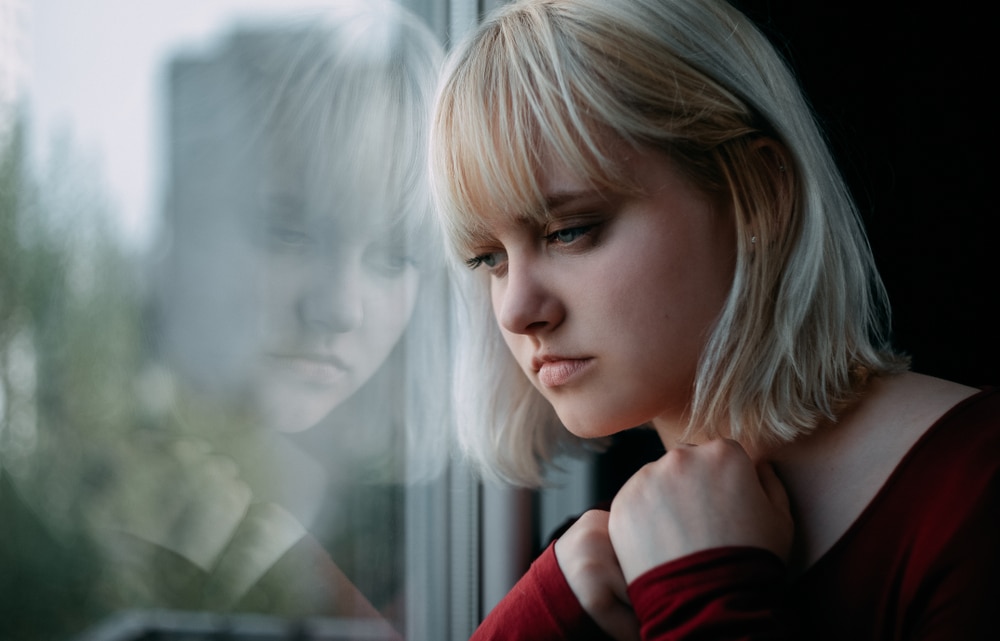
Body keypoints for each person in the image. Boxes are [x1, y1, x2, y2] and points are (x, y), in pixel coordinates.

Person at [428, 0, 999, 639]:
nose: (516, 310)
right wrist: (547, 606)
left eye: (571, 231)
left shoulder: (977, 496)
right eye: (488, 258)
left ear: (757, 192)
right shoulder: (594, 565)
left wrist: (700, 596)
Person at [85, 0, 448, 630]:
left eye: (394, 256)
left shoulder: (437, 558)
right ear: (177, 226)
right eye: (289, 233)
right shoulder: (89, 527)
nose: (338, 308)